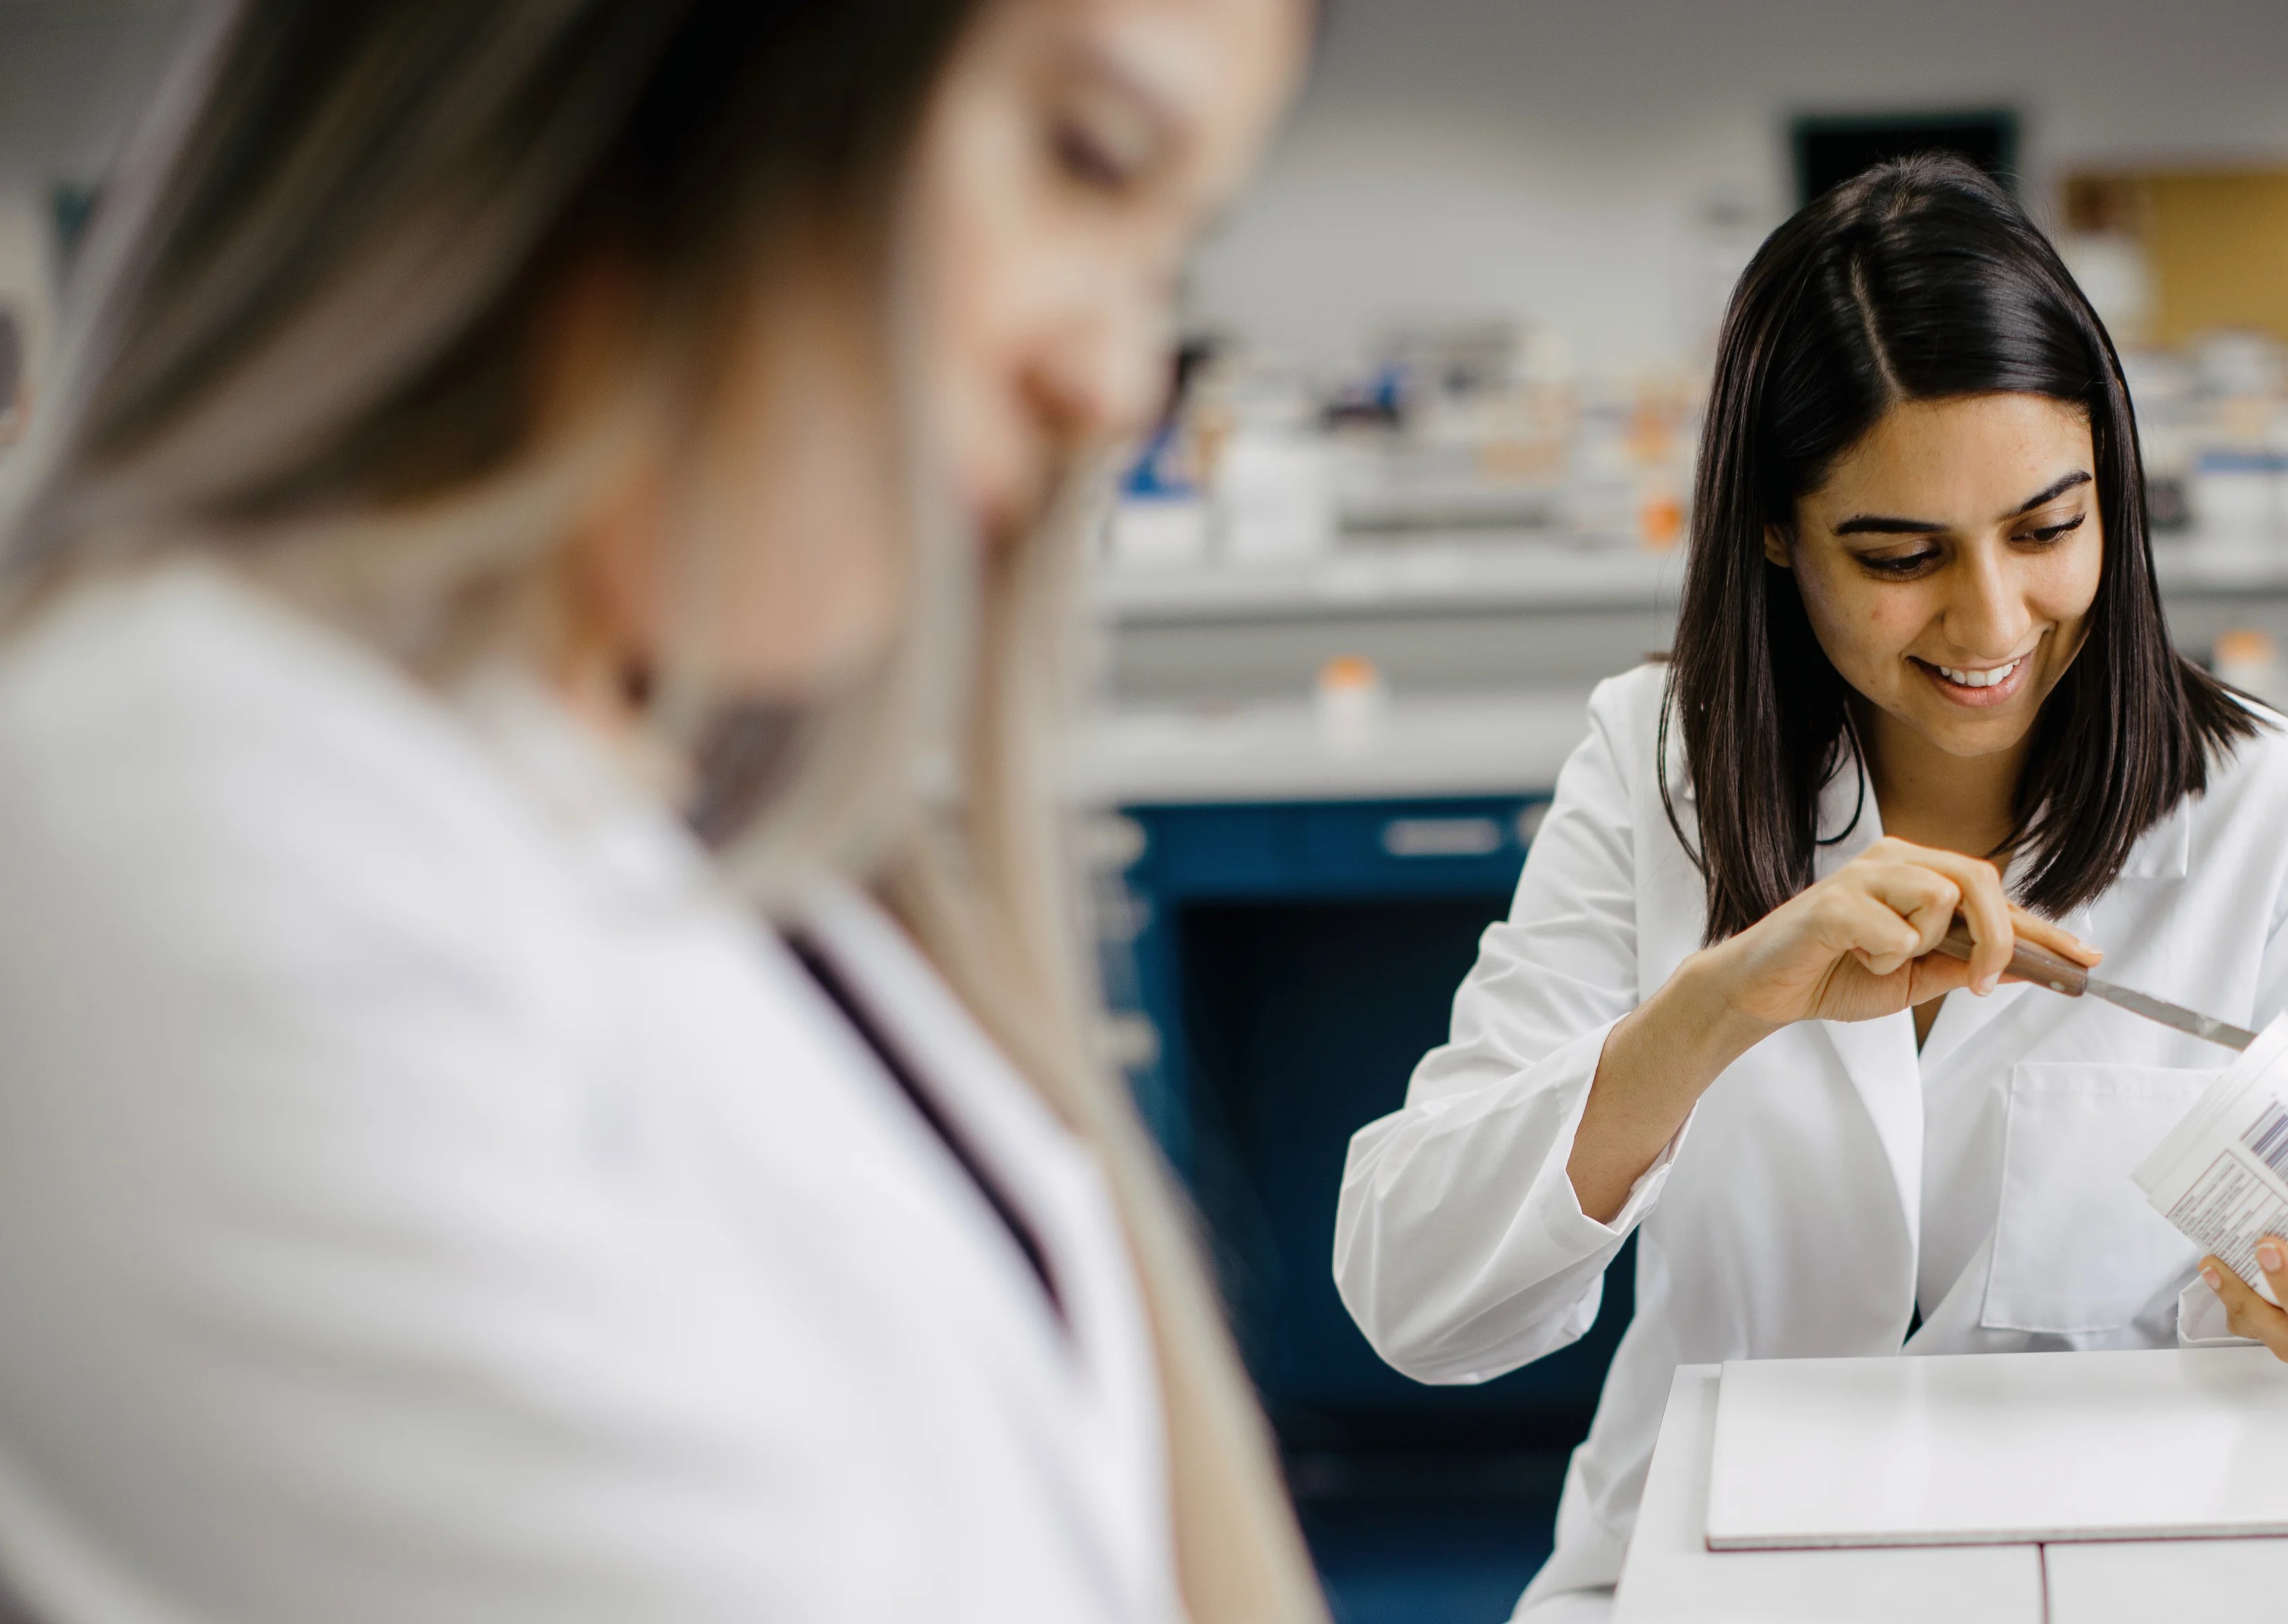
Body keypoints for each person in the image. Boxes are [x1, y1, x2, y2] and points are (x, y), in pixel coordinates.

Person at [0, 2, 1313, 1620]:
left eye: (1173, 251)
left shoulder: (679, 792)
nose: (1115, 381)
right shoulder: (181, 819)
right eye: (1087, 161)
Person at [1334, 154, 2288, 1622]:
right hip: (1707, 1580)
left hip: (2133, 1584)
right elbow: (1414, 1292)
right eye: (1899, 554)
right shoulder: (1654, 768)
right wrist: (1719, 1008)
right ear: (1774, 530)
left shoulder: (2283, 818)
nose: (1992, 621)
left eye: (2049, 531)